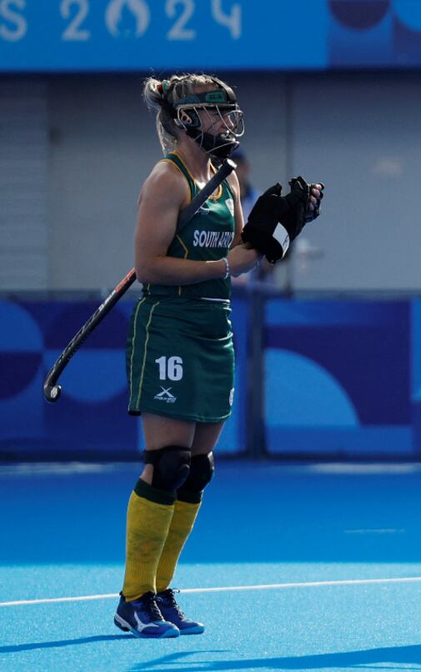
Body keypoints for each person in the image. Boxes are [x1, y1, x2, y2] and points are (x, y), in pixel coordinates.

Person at [117, 74, 323, 638]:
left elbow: (245, 256)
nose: (228, 124)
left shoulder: (227, 178)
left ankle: (162, 592)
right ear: (186, 120)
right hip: (171, 326)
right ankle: (133, 596)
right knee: (167, 463)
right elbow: (151, 265)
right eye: (216, 114)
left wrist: (276, 237)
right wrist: (223, 266)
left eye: (230, 114)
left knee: (197, 471)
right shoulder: (167, 179)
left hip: (215, 325)